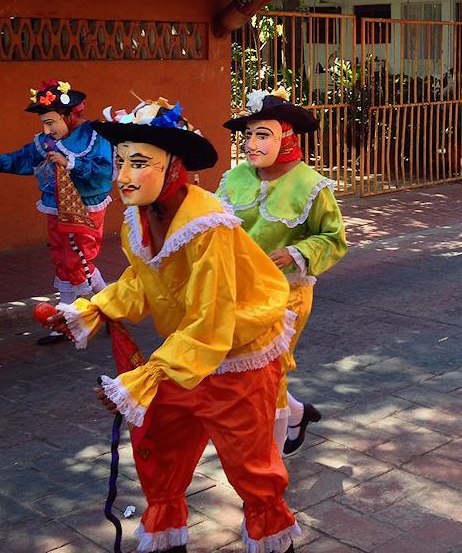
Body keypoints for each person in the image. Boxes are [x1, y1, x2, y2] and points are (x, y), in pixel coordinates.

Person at [45, 98, 300, 553]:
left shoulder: (207, 228)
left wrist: (146, 376)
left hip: (236, 357)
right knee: (160, 447)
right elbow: (145, 283)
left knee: (250, 466)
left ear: (173, 168)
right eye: (120, 162)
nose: (122, 176)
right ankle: (168, 539)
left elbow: (213, 318)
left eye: (139, 163)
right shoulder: (137, 220)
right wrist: (95, 309)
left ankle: (274, 542)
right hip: (187, 354)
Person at [218, 87, 347, 456]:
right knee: (250, 370)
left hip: (286, 294)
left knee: (268, 373)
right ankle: (296, 415)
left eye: (263, 135)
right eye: (248, 136)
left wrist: (296, 252)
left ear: (286, 138)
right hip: (239, 290)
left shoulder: (310, 185)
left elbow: (334, 238)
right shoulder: (234, 179)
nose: (251, 145)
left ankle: (268, 466)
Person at [0, 80, 113, 345]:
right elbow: (24, 157)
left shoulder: (93, 137)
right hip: (55, 205)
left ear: (69, 115)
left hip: (85, 207)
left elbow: (103, 171)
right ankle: (73, 320)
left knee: (78, 261)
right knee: (63, 260)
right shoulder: (46, 142)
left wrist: (70, 162)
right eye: (44, 123)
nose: (46, 129)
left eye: (50, 122)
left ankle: (98, 314)